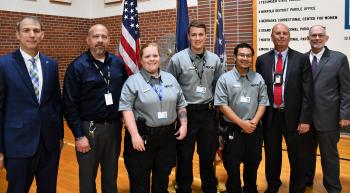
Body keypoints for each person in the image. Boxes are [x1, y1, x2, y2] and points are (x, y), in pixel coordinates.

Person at [0, 16, 63, 193]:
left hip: (49, 144)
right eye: (26, 30)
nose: (32, 35)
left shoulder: (51, 64)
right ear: (17, 35)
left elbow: (55, 103)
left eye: (36, 31)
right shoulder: (4, 65)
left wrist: (59, 136)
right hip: (18, 145)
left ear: (42, 35)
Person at [62, 24, 127, 193]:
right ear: (88, 40)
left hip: (113, 128)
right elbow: (69, 104)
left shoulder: (118, 64)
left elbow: (126, 94)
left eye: (104, 37)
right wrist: (78, 136)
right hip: (88, 130)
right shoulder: (77, 67)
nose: (100, 40)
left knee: (111, 176)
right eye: (96, 36)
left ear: (109, 40)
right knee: (87, 179)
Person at [119, 42, 188, 193]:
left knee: (162, 181)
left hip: (167, 139)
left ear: (160, 57)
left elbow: (181, 104)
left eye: (155, 55)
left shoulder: (171, 79)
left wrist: (183, 125)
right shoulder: (133, 82)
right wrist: (134, 135)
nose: (152, 59)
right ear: (141, 60)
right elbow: (126, 108)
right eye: (147, 56)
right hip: (143, 138)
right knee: (139, 183)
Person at [167, 20, 225, 193]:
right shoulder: (177, 59)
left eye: (201, 34)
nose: (197, 38)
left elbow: (219, 86)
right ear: (188, 36)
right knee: (184, 156)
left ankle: (209, 187)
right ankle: (184, 188)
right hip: (187, 114)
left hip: (208, 115)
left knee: (207, 156)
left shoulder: (214, 59)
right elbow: (171, 86)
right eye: (194, 35)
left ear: (206, 36)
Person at [255, 23, 313, 193]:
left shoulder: (302, 59)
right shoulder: (262, 60)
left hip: (294, 117)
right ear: (271, 36)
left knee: (297, 157)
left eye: (284, 33)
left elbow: (307, 92)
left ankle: (297, 188)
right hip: (270, 116)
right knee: (272, 155)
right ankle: (273, 185)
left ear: (289, 37)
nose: (281, 36)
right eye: (277, 33)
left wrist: (305, 119)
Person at [214, 43, 269, 193]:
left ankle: (251, 189)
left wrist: (254, 122)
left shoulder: (258, 78)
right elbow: (222, 105)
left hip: (254, 129)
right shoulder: (225, 79)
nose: (245, 58)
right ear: (235, 57)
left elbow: (263, 102)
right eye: (241, 55)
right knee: (232, 166)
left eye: (248, 55)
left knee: (253, 164)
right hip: (232, 130)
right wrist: (241, 123)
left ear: (252, 58)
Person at [304, 25, 350, 193]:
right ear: (308, 38)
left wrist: (345, 114)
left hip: (329, 118)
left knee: (329, 156)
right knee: (306, 154)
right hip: (306, 119)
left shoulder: (339, 59)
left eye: (320, 35)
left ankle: (333, 187)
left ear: (326, 38)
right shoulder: (302, 59)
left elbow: (346, 89)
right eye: (313, 35)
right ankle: (307, 180)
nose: (317, 38)